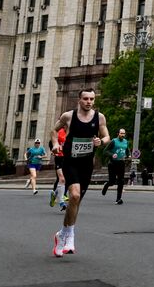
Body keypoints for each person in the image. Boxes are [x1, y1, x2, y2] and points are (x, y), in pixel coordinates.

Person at [51, 89, 110, 257]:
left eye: (91, 99)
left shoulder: (100, 117)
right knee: (74, 196)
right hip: (70, 162)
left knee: (76, 202)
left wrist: (101, 141)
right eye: (85, 98)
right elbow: (54, 131)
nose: (89, 102)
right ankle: (69, 236)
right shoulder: (68, 116)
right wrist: (55, 144)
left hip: (86, 164)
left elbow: (107, 136)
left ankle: (62, 234)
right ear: (79, 100)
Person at [102, 128, 130, 203]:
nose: (123, 135)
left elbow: (127, 150)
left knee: (121, 181)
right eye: (121, 133)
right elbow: (105, 151)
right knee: (112, 181)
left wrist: (128, 156)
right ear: (118, 133)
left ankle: (118, 199)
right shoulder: (113, 141)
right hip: (112, 163)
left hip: (121, 163)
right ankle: (106, 185)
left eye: (124, 134)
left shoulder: (126, 142)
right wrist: (112, 154)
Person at [49, 126, 69, 209]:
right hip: (59, 157)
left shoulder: (72, 132)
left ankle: (55, 193)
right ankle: (61, 202)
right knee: (62, 179)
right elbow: (51, 142)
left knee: (65, 179)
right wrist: (53, 150)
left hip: (68, 158)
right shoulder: (59, 132)